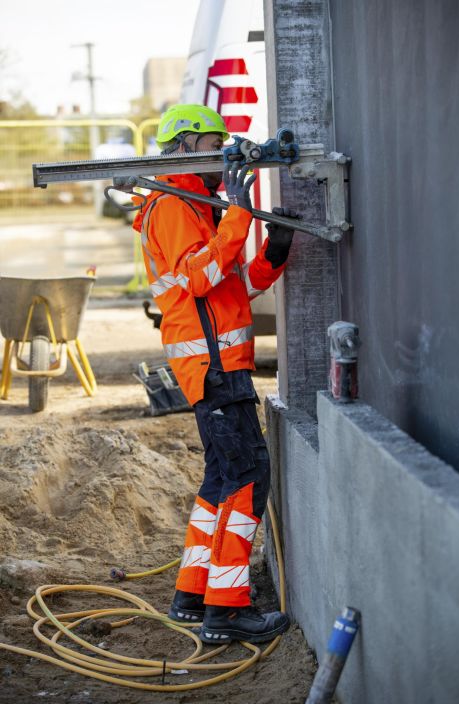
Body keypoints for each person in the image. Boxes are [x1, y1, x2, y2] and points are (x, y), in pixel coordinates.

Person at [132, 104, 299, 644]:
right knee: (249, 479)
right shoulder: (175, 203)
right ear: (183, 145)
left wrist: (271, 256)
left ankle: (191, 596)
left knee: (222, 481)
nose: (222, 153)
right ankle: (226, 612)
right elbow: (202, 279)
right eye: (211, 142)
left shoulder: (192, 203)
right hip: (214, 369)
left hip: (214, 365)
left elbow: (227, 290)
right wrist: (239, 214)